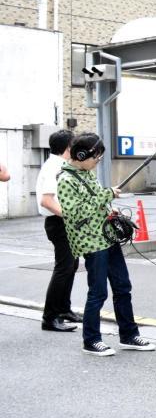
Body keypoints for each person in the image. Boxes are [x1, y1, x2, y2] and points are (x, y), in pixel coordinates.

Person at [57, 133, 155, 356]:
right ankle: (91, 339)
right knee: (98, 292)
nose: (97, 162)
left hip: (107, 237)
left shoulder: (87, 174)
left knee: (123, 287)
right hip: (91, 243)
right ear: (81, 156)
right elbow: (74, 213)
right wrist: (106, 195)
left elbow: (95, 202)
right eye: (96, 158)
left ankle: (129, 335)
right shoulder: (65, 181)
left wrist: (109, 208)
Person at [37, 129, 80, 333]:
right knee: (64, 267)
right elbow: (47, 200)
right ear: (68, 147)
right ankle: (50, 317)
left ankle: (64, 309)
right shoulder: (55, 167)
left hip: (61, 222)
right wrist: (70, 216)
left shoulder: (59, 164)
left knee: (72, 264)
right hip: (58, 222)